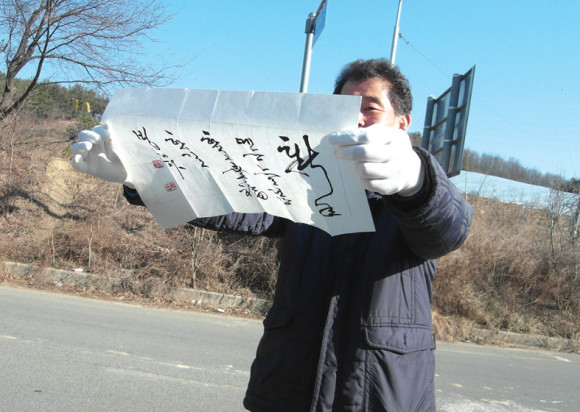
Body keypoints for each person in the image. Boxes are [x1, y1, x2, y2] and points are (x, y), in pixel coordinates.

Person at [71, 58, 472, 412]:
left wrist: (415, 182)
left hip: (379, 395)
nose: (357, 120)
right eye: (345, 110)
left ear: (402, 123)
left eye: (370, 108)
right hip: (288, 388)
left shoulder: (417, 193)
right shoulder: (303, 181)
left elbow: (448, 229)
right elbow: (231, 200)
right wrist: (143, 177)